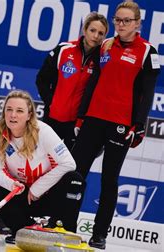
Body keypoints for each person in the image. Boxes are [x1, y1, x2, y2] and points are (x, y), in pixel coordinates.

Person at [71, 2, 161, 249]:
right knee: (76, 174)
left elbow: (147, 92)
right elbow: (92, 83)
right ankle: (66, 225)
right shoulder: (106, 45)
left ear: (137, 23)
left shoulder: (147, 52)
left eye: (126, 20)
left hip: (120, 125)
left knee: (109, 180)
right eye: (118, 20)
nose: (121, 25)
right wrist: (80, 117)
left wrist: (139, 125)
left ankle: (99, 235)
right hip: (93, 119)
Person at [0, 90, 84, 244]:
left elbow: (69, 163)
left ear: (29, 115)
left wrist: (38, 188)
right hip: (23, 195)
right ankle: (24, 230)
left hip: (47, 195)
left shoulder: (43, 131)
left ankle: (66, 232)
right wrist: (11, 184)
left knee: (75, 180)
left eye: (19, 111)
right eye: (9, 110)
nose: (13, 115)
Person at [36, 12, 108, 149]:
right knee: (42, 162)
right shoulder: (64, 50)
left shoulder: (103, 59)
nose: (96, 36)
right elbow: (42, 79)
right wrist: (51, 102)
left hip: (77, 124)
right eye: (92, 30)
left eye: (101, 33)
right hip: (52, 118)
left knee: (69, 167)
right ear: (84, 29)